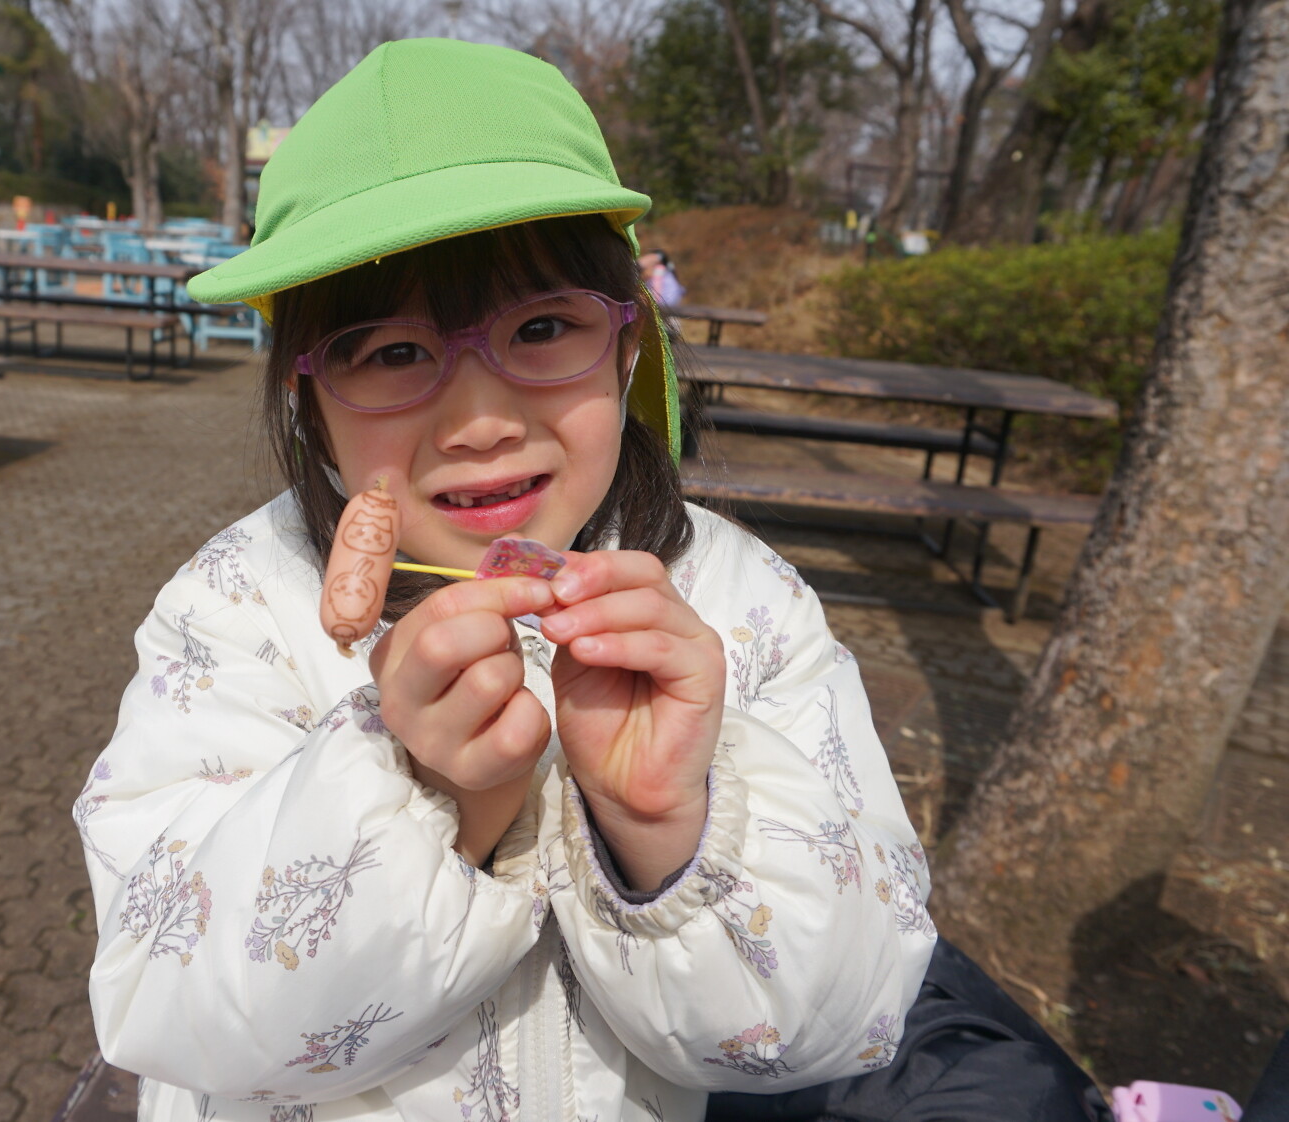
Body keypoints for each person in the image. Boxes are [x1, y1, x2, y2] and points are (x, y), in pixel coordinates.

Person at [75, 39, 1101, 1122]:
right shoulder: (234, 612)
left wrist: (666, 827)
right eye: (390, 352)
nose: (480, 421)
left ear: (626, 347)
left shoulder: (743, 607)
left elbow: (845, 1020)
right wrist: (432, 803)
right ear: (308, 399)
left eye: (542, 328)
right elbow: (165, 1004)